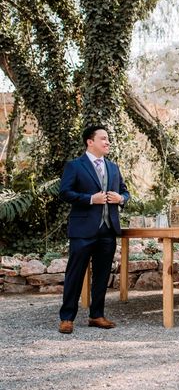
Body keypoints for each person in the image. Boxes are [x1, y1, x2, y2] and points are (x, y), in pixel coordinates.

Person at [58, 125, 129, 334]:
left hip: (108, 230)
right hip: (82, 229)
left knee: (102, 275)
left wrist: (121, 198)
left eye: (108, 139)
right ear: (90, 142)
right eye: (103, 138)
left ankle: (96, 315)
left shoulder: (113, 167)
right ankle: (67, 318)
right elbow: (65, 193)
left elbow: (125, 192)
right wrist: (90, 199)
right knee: (75, 274)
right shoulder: (75, 166)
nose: (108, 142)